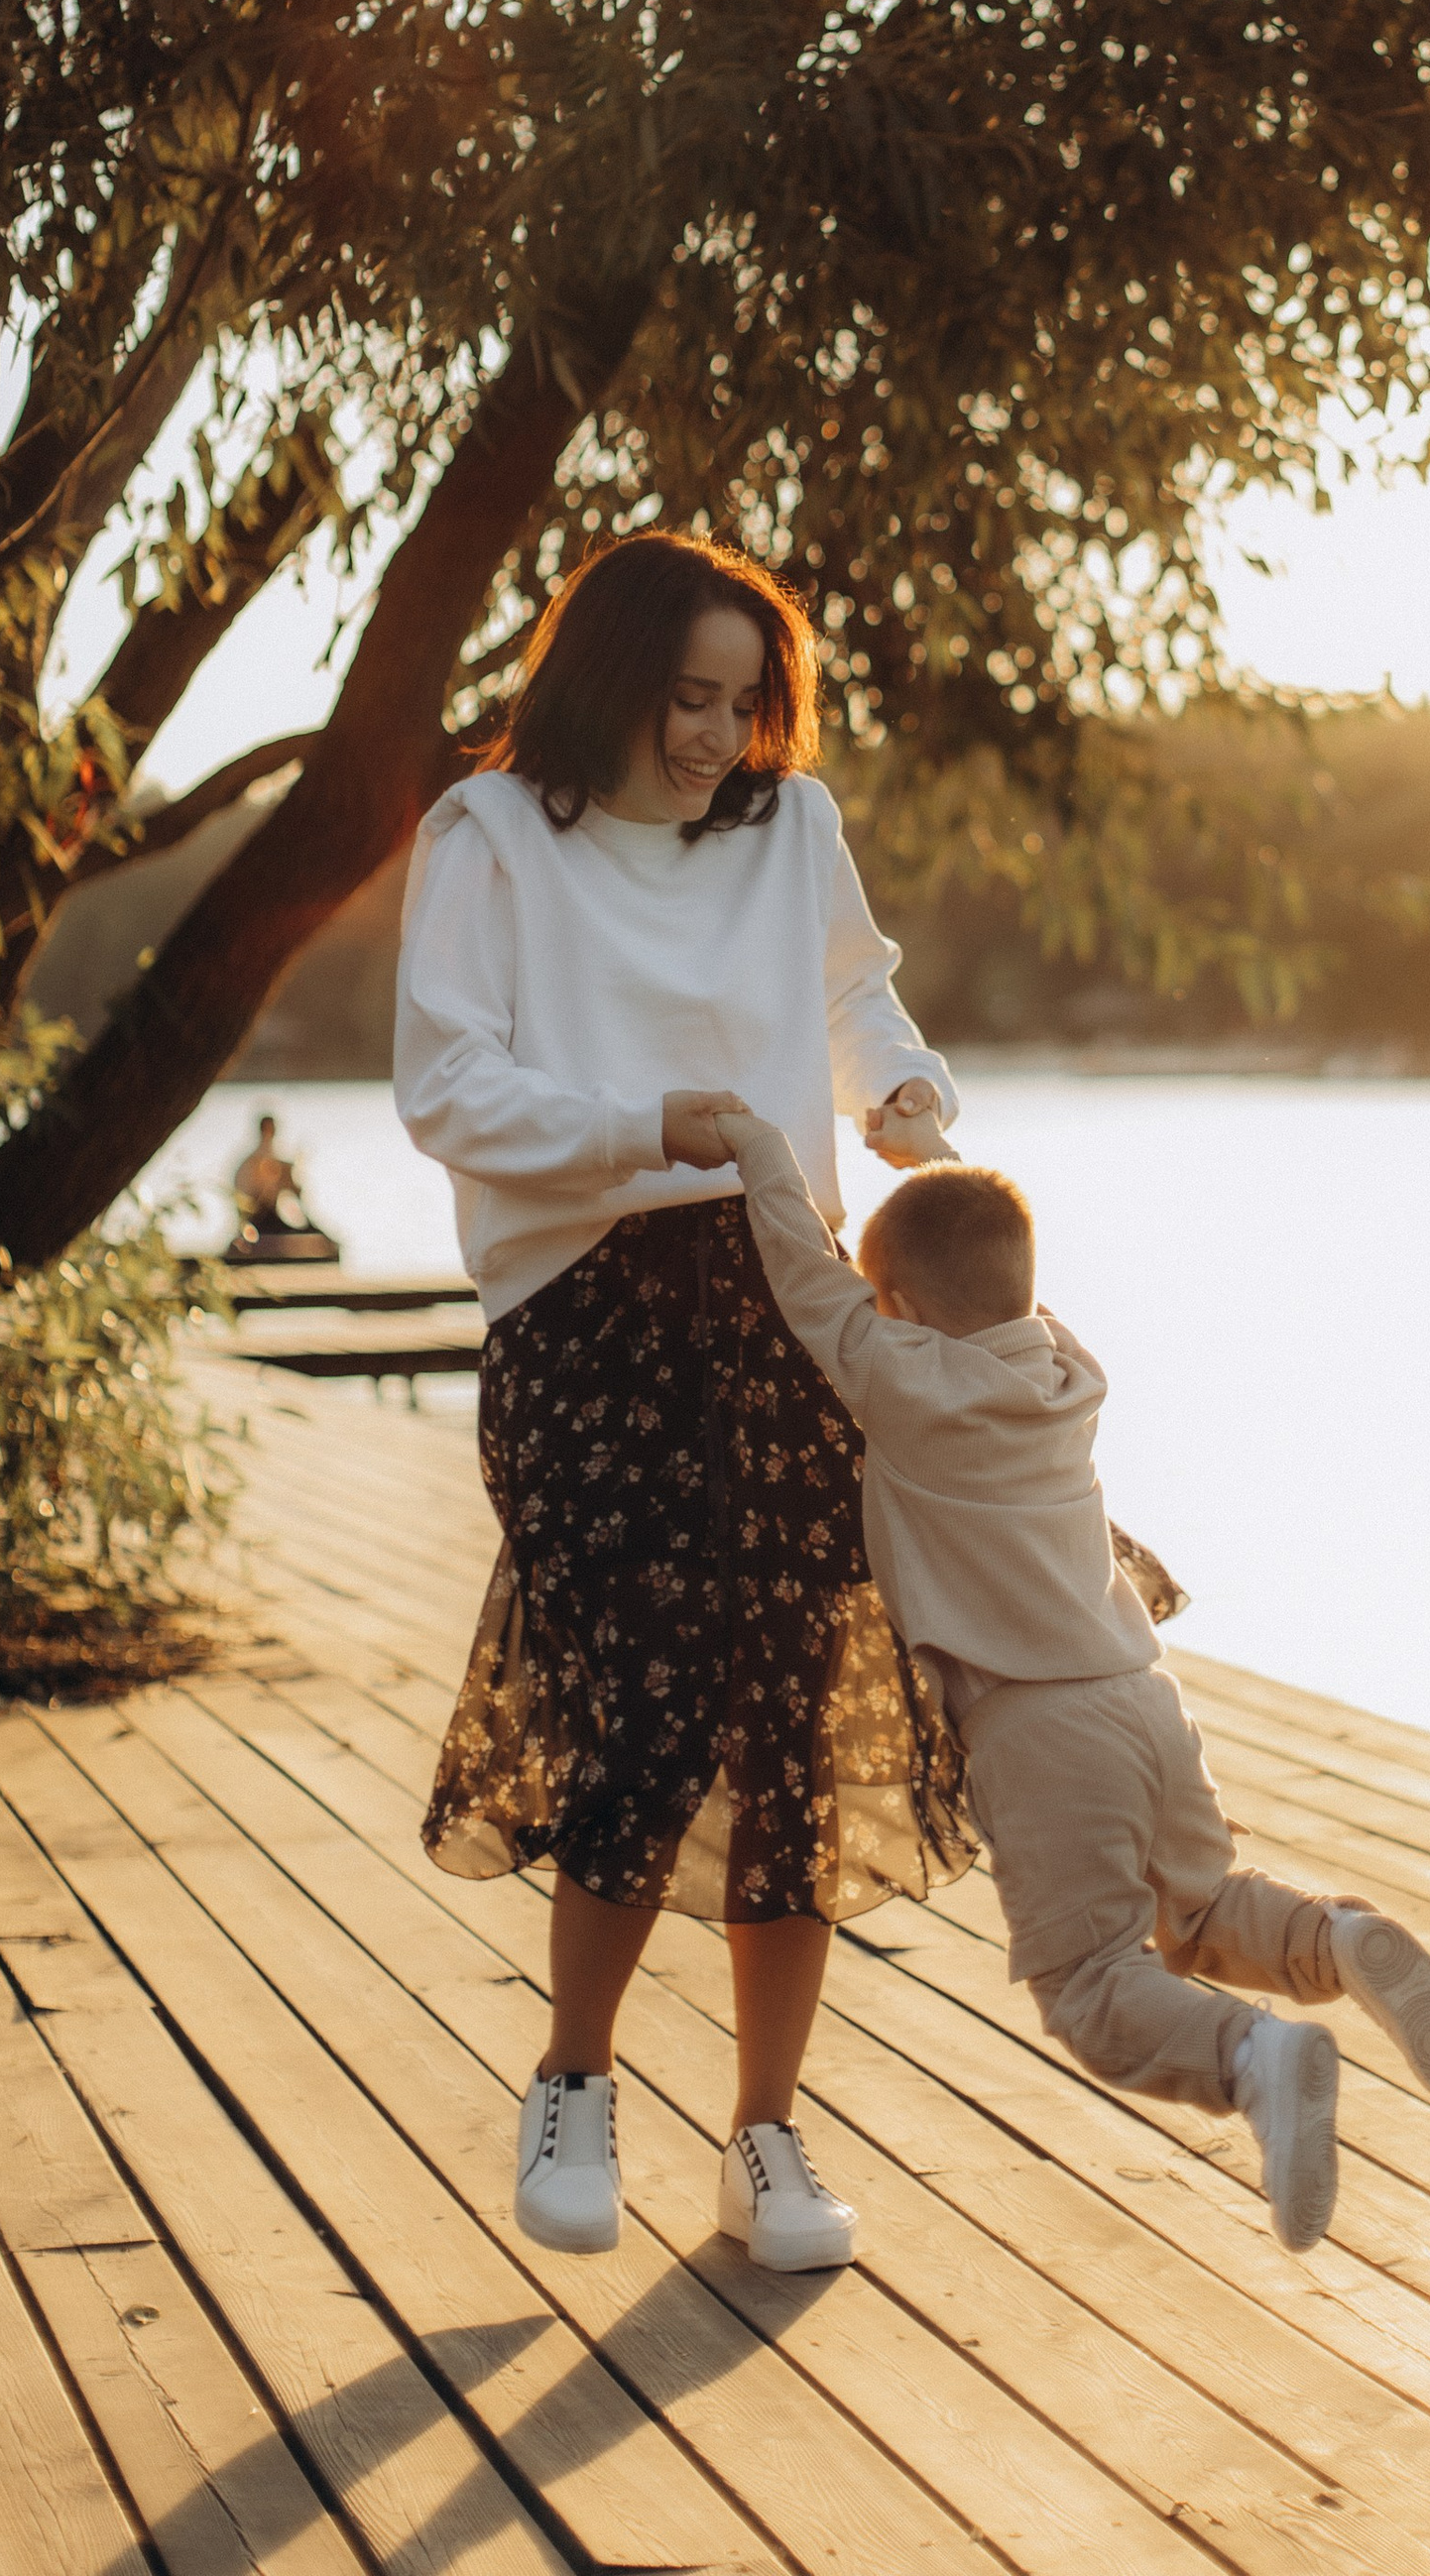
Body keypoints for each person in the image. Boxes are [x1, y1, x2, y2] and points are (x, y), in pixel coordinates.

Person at [393, 528, 972, 2278]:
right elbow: (448, 1086)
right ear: (605, 678)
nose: (718, 736)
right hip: (582, 1311)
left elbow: (851, 993)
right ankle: (576, 2081)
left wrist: (906, 1096)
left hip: (792, 1292)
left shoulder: (791, 828)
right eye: (686, 698)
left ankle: (769, 2137)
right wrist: (659, 1123)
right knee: (637, 1695)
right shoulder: (488, 835)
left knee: (793, 1711)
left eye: (745, 701)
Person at [711, 1111, 1430, 2253]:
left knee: (1087, 1984)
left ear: (908, 1312)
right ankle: (1335, 1942)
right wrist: (928, 1151)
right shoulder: (1069, 1370)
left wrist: (752, 1141)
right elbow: (988, 1264)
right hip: (1143, 1693)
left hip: (1035, 1725)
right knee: (1208, 1909)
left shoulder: (900, 1373)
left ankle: (1253, 2060)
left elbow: (798, 1267)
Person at [227, 1115, 338, 1261]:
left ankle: (317, 1234)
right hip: (258, 1217)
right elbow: (260, 1194)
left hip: (264, 1216)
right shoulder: (257, 1160)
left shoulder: (266, 1155)